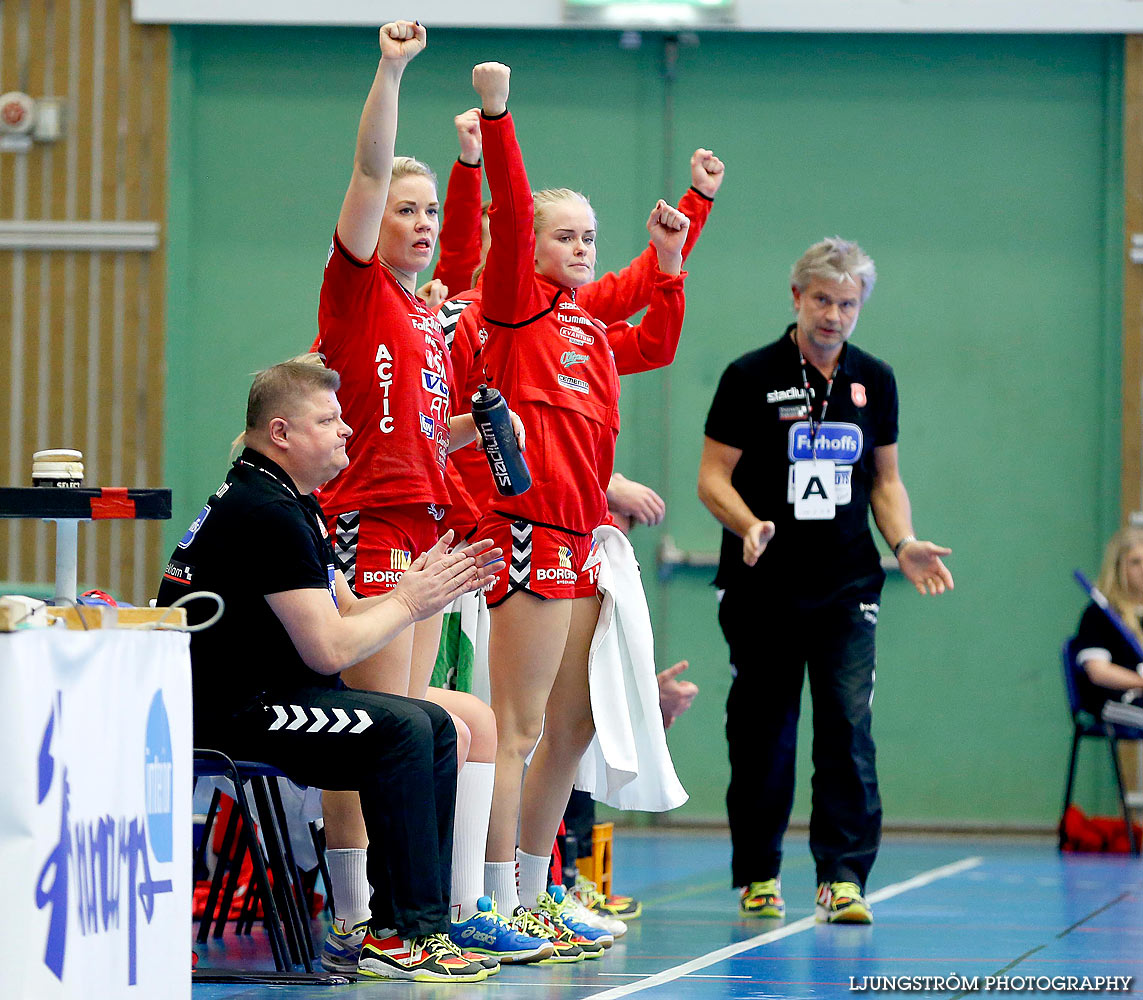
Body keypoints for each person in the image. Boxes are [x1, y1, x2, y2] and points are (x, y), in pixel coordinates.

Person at [311, 22, 542, 970]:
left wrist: (485, 435)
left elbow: (419, 427)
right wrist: (391, 69)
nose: (419, 223)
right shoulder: (359, 288)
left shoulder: (423, 318)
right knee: (377, 735)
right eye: (407, 211)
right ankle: (360, 917)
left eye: (429, 214)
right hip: (366, 523)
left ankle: (427, 911)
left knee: (418, 730)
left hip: (422, 526)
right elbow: (367, 174)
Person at [157, 358, 503, 981]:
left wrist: (419, 588)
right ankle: (407, 933)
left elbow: (343, 610)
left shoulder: (290, 500)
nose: (346, 430)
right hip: (236, 713)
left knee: (437, 723)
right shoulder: (264, 511)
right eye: (329, 419)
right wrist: (407, 603)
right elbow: (329, 650)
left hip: (269, 696)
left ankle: (407, 924)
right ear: (282, 432)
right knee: (403, 729)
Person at [469, 59, 690, 956]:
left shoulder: (587, 327)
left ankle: (538, 887)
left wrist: (680, 241)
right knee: (514, 730)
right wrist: (498, 113)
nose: (583, 247)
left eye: (591, 236)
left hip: (579, 543)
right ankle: (490, 899)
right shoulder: (514, 311)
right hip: (520, 536)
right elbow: (511, 212)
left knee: (570, 728)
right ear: (529, 248)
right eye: (566, 235)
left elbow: (658, 331)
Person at [697, 237, 953, 925]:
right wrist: (747, 523)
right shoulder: (749, 375)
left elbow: (885, 480)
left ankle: (842, 878)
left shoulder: (875, 379)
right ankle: (758, 872)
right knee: (764, 733)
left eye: (845, 304)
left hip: (845, 584)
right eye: (820, 300)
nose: (832, 316)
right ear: (795, 297)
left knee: (846, 726)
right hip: (762, 585)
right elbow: (711, 476)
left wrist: (902, 542)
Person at [1073, 527, 1143, 727]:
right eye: (1135, 562)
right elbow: (1099, 672)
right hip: (1111, 701)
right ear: (1118, 567)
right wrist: (1140, 683)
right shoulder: (1099, 614)